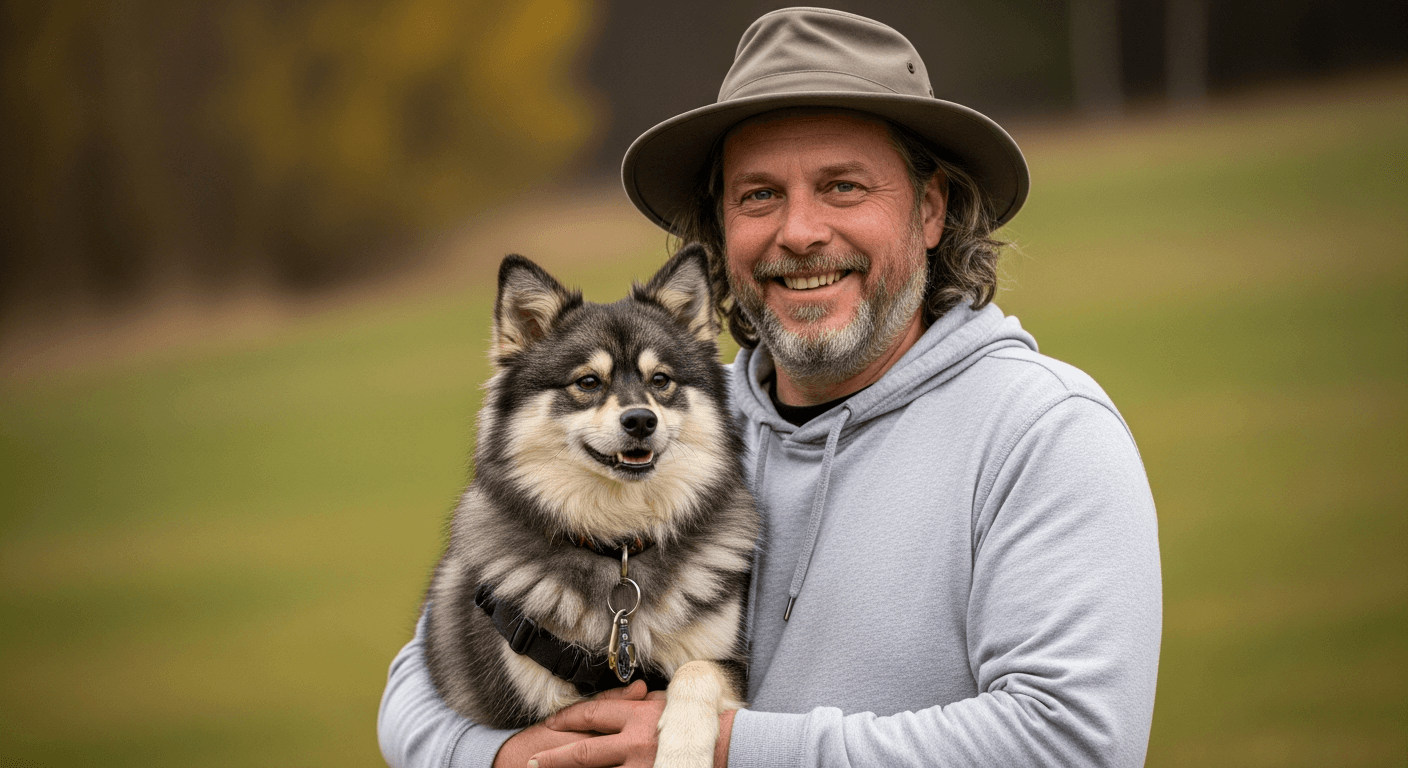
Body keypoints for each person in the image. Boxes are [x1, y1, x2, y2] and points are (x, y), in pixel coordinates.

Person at [379, 7, 1162, 768]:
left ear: (930, 210)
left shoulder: (1045, 433)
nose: (799, 232)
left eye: (843, 187)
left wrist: (729, 748)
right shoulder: (675, 427)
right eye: (759, 195)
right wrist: (498, 756)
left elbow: (1075, 744)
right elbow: (414, 683)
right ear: (721, 233)